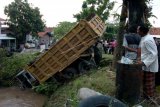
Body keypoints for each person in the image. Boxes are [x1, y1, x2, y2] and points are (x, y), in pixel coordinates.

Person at [137, 25, 158, 99]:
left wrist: (144, 63)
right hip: (145, 64)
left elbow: (154, 53)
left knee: (148, 84)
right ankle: (145, 97)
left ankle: (150, 99)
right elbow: (145, 52)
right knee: (145, 83)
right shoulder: (144, 38)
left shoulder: (148, 40)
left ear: (142, 31)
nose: (137, 31)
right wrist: (140, 59)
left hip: (149, 66)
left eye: (138, 30)